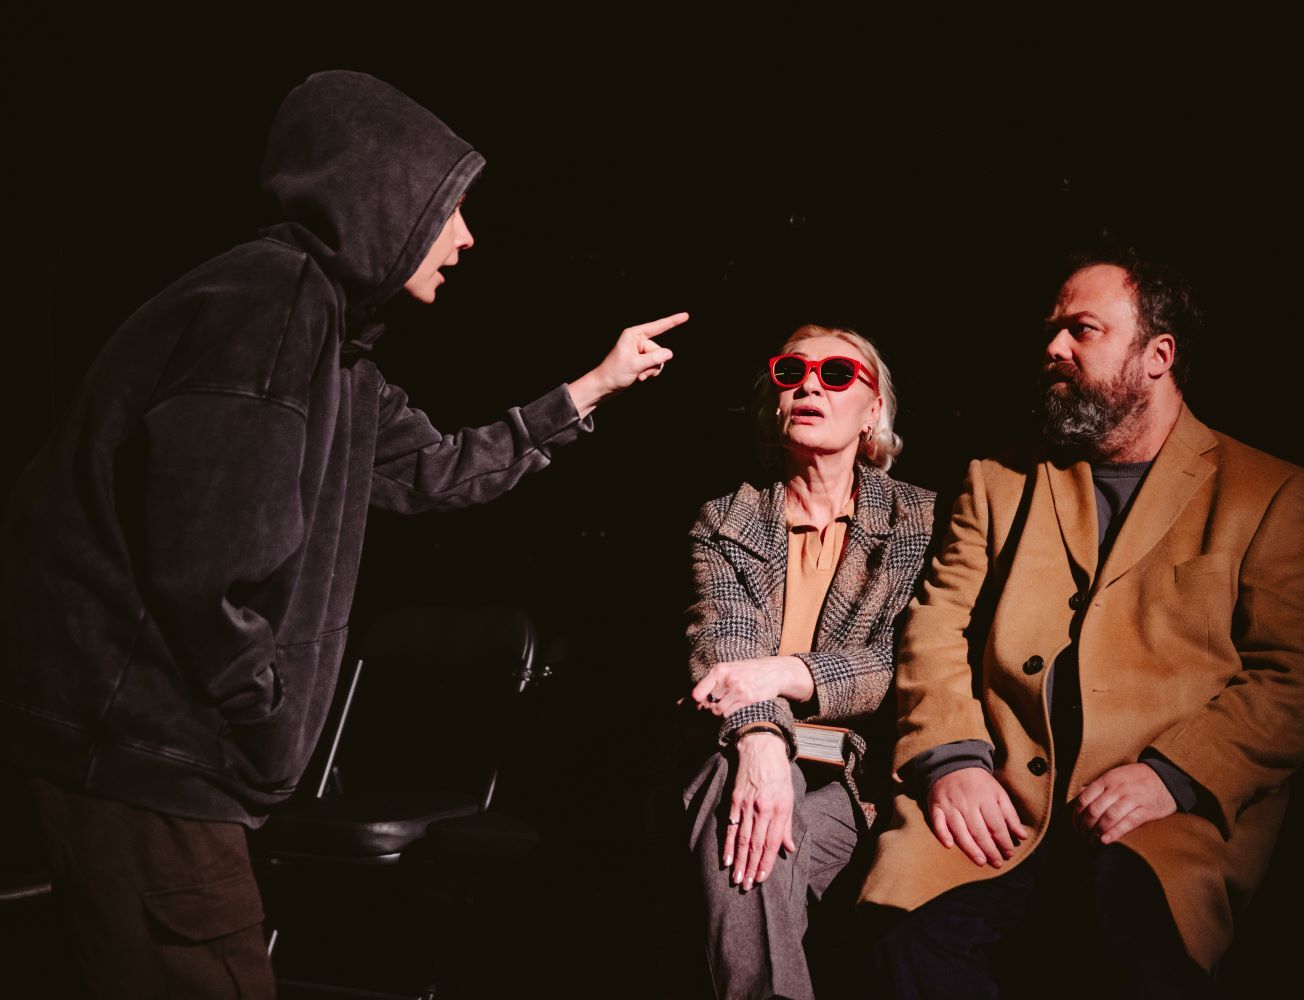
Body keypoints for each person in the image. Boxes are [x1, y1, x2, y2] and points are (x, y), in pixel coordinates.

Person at [0, 70, 686, 998]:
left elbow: (433, 468)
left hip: (151, 752)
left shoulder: (331, 338)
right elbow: (206, 562)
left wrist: (591, 388)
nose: (466, 237)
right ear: (383, 198)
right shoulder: (270, 305)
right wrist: (260, 706)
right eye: (450, 209)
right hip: (141, 751)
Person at [862, 250, 1304, 997]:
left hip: (1159, 816)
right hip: (999, 797)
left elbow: (1299, 672)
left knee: (1131, 930)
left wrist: (1173, 776)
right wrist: (952, 763)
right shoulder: (997, 481)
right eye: (1051, 331)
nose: (1054, 347)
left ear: (1158, 356)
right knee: (910, 933)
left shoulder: (1270, 492)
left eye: (1082, 330)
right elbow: (937, 627)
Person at [681, 325, 935, 999]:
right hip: (743, 761)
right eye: (791, 373)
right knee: (742, 794)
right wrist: (763, 740)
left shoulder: (921, 521)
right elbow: (728, 649)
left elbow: (909, 663)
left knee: (745, 841)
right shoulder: (727, 519)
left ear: (873, 411)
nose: (809, 386)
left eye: (837, 374)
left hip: (864, 782)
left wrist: (788, 673)